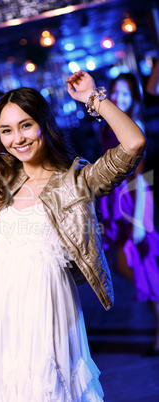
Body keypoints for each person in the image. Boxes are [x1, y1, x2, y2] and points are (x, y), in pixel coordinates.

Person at [0, 7, 146, 401]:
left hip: (51, 315)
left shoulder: (75, 180)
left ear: (43, 123)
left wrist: (94, 98)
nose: (17, 138)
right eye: (6, 130)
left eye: (25, 125)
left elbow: (133, 144)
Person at [98, 73, 159, 356]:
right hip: (117, 197)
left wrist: (139, 217)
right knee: (126, 264)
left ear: (132, 97)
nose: (119, 98)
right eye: (115, 92)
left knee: (142, 264)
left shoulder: (134, 125)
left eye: (125, 94)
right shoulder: (108, 126)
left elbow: (141, 175)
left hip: (135, 195)